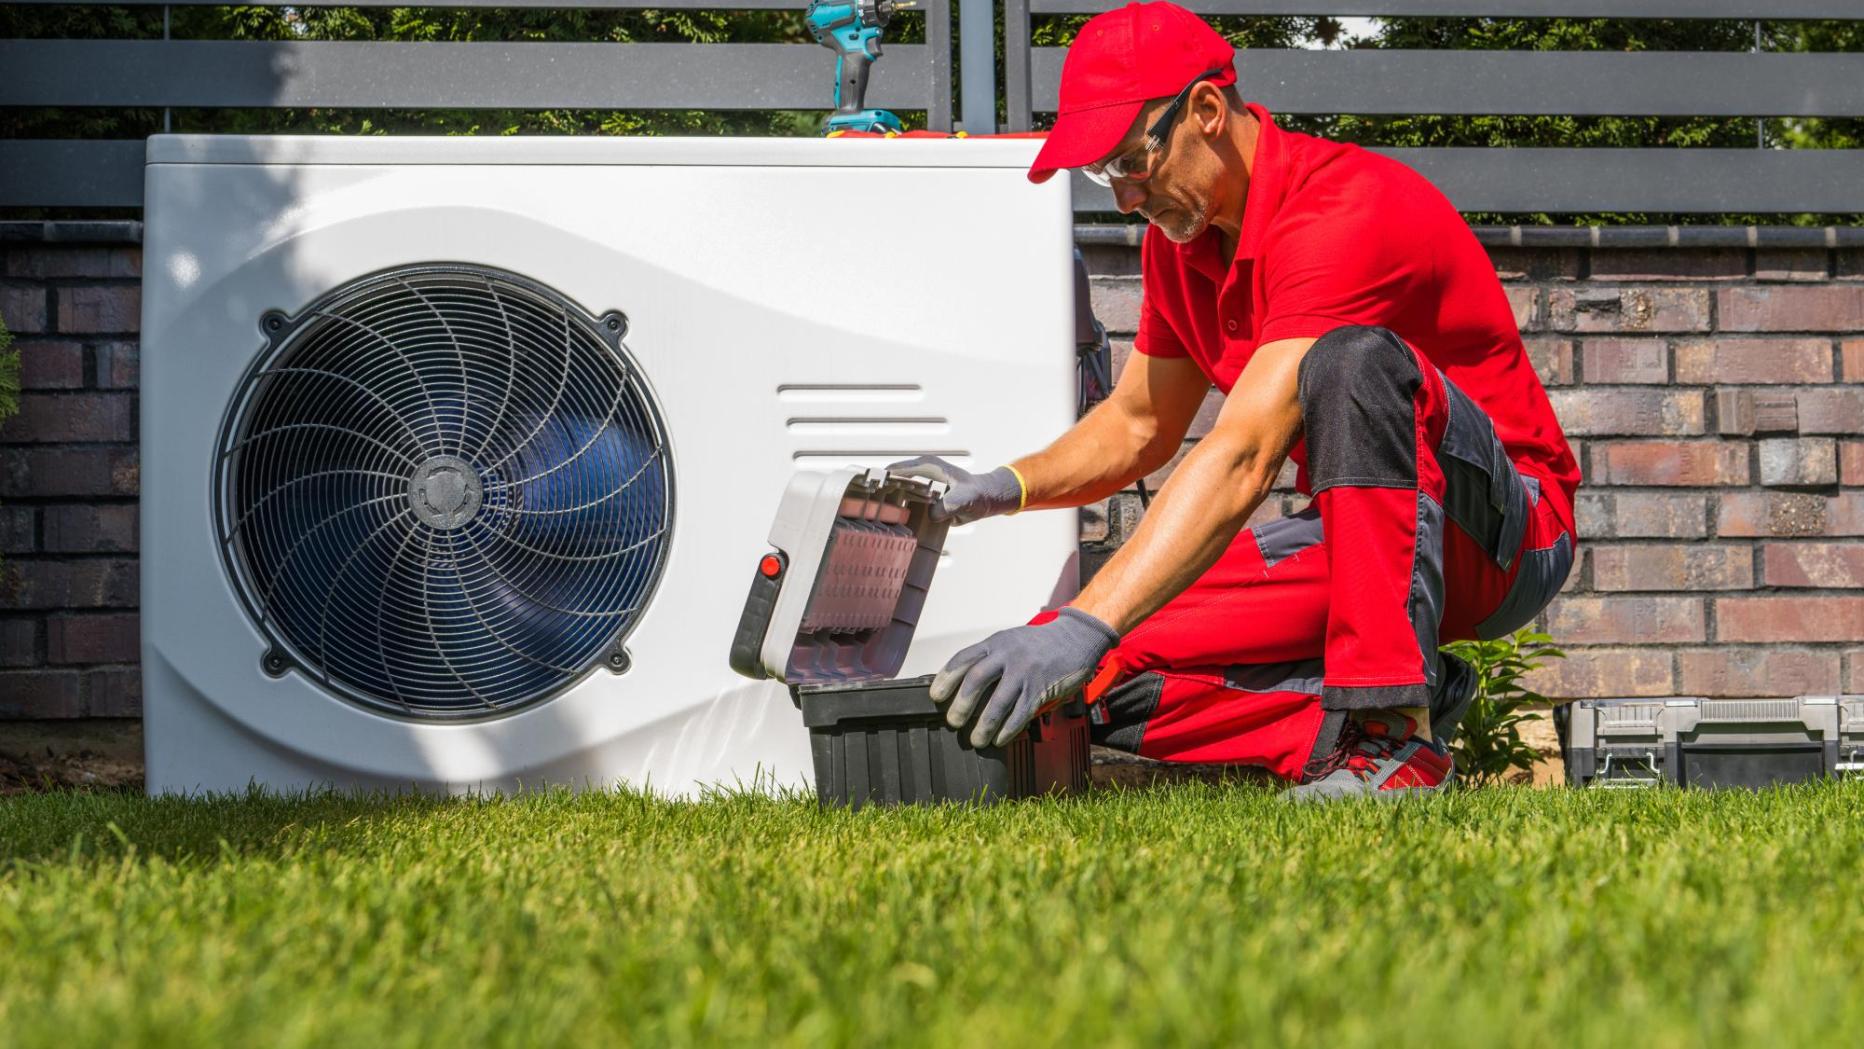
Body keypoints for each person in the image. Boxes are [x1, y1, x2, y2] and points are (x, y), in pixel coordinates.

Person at [891, 1, 1579, 800]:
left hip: (1505, 533)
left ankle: (1391, 736)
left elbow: (1245, 451)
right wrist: (998, 488)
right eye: (1101, 174)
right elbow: (1137, 424)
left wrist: (1088, 618)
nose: (1122, 198)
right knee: (1091, 676)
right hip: (1364, 540)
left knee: (1352, 362)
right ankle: (1380, 713)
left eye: (1130, 162)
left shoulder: (1343, 210)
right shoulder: (1179, 247)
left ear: (1208, 111)